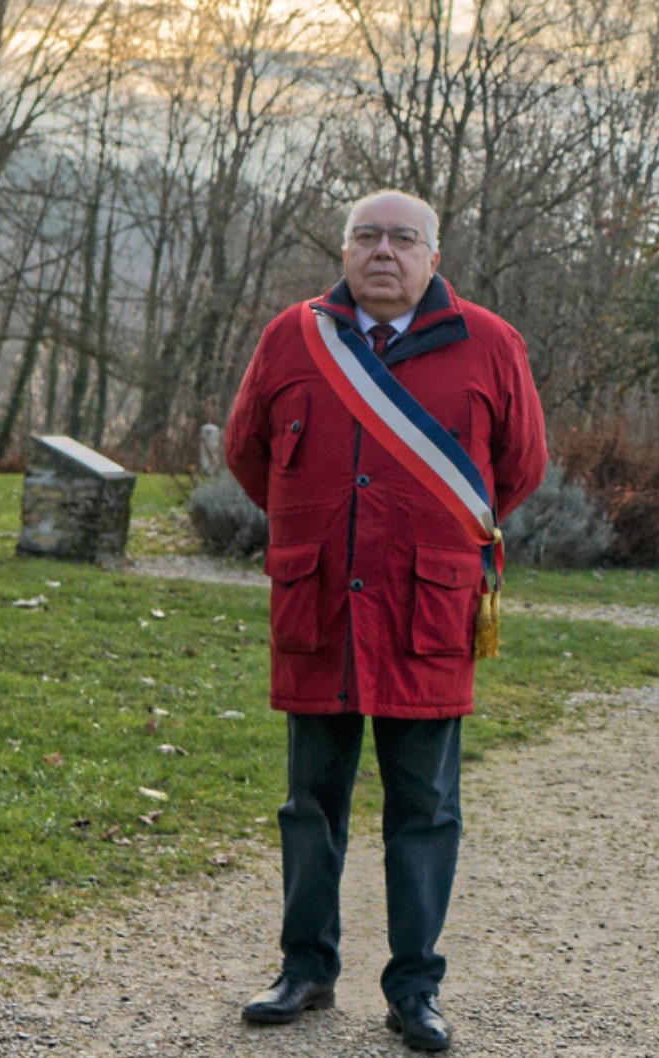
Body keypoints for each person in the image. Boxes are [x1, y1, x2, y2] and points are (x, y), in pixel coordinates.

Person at [225, 190, 546, 1051]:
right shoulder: (293, 338)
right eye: (366, 236)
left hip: (427, 610)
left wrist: (434, 533)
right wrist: (317, 524)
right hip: (320, 602)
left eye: (404, 239)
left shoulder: (490, 344)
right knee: (310, 805)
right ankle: (306, 970)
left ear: (434, 258)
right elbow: (247, 451)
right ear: (343, 249)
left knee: (425, 810)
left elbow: (517, 469)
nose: (383, 252)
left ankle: (415, 988)